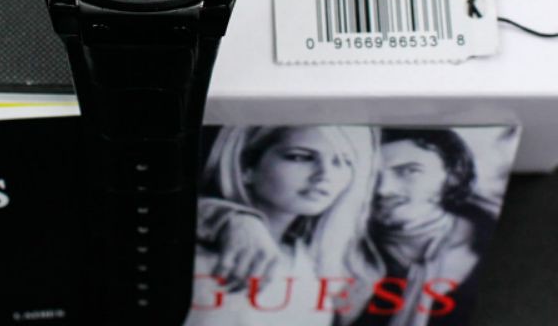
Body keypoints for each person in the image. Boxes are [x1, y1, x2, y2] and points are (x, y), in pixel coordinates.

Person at [185, 126, 382, 325]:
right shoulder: (204, 252)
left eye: (343, 161)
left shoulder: (318, 263)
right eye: (300, 157)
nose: (325, 174)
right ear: (246, 167)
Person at [349, 129, 496, 326]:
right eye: (371, 175)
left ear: (452, 176)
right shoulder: (343, 248)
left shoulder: (488, 238)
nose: (383, 189)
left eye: (409, 171)